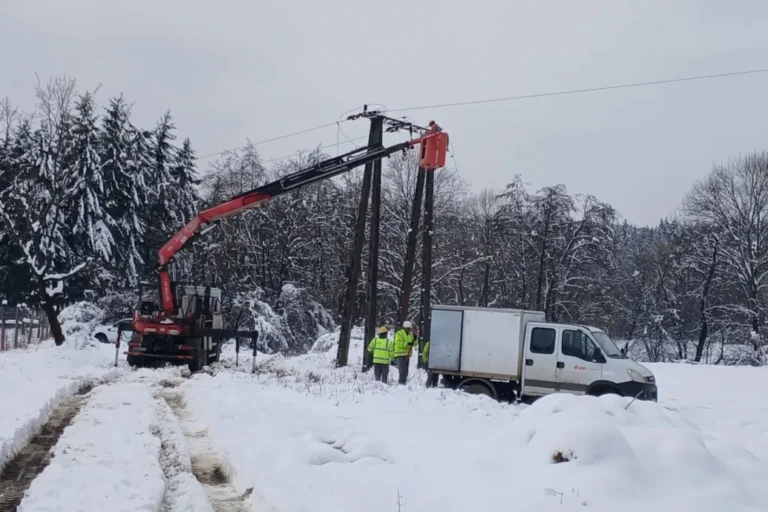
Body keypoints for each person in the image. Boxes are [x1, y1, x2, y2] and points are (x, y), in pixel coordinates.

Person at [394, 320, 416, 385]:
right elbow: (398, 343)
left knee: (406, 371)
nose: (409, 330)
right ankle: (401, 383)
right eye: (408, 328)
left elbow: (414, 344)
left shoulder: (410, 335)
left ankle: (403, 383)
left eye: (410, 329)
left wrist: (415, 339)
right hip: (400, 355)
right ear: (404, 328)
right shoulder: (399, 333)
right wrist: (408, 343)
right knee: (402, 371)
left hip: (407, 355)